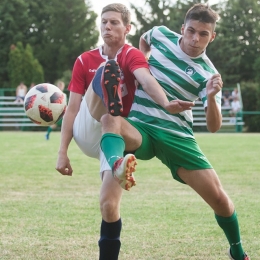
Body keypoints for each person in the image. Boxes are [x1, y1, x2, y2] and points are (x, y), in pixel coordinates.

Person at [99, 3, 250, 260]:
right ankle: (117, 165)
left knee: (221, 202)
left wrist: (212, 98)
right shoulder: (159, 34)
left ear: (212, 36)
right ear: (182, 28)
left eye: (203, 34)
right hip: (141, 128)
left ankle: (237, 250)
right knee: (109, 119)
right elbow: (143, 40)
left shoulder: (208, 73)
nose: (195, 38)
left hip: (177, 137)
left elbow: (214, 127)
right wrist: (143, 60)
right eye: (191, 31)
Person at [55, 3, 193, 260]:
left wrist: (165, 103)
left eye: (114, 22)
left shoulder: (132, 55)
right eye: (104, 21)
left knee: (109, 205)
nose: (107, 26)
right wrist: (62, 152)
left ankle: (117, 161)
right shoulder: (85, 60)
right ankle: (106, 83)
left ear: (128, 28)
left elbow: (147, 80)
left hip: (115, 139)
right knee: (106, 75)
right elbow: (71, 109)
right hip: (88, 128)